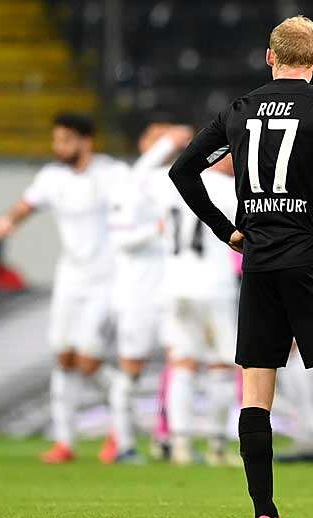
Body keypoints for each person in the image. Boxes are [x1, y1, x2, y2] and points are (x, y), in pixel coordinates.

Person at [168, 16, 313, 518]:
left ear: (269, 57)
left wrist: (230, 230)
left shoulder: (240, 110)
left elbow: (182, 171)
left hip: (261, 263)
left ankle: (265, 515)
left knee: (256, 391)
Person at [0, 113, 124, 463]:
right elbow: (22, 209)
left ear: (86, 141)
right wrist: (0, 229)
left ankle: (121, 429)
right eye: (56, 140)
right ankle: (66, 442)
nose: (58, 147)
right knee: (63, 357)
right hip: (70, 277)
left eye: (65, 140)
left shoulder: (111, 174)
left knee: (87, 358)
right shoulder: (52, 178)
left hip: (105, 279)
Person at [105, 123, 193, 464]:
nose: (165, 143)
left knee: (180, 363)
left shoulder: (169, 182)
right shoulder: (126, 183)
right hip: (136, 294)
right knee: (131, 369)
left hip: (170, 291)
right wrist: (154, 231)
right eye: (156, 136)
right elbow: (120, 239)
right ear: (144, 142)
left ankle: (172, 440)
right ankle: (124, 443)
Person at [157, 154, 242, 466]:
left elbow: (159, 226)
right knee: (221, 365)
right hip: (213, 285)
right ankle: (217, 446)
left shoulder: (170, 184)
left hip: (174, 284)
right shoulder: (232, 189)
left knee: (182, 364)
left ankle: (180, 444)